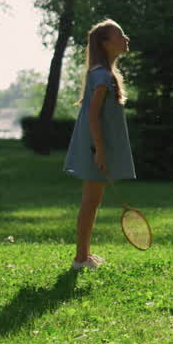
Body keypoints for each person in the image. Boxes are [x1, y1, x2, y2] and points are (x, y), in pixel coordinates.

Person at [63, 19, 135, 271]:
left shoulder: (102, 74)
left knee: (92, 199)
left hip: (95, 146)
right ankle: (80, 259)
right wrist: (100, 149)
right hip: (95, 148)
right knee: (90, 200)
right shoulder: (103, 76)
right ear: (105, 44)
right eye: (120, 34)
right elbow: (92, 115)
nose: (126, 38)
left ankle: (84, 255)